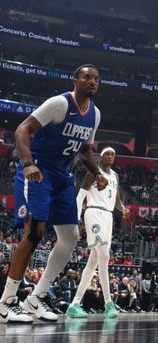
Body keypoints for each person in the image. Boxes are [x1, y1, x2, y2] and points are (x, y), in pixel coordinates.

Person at [1, 66, 105, 324]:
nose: (92, 82)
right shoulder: (59, 104)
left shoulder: (95, 114)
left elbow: (85, 150)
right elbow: (22, 130)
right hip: (38, 170)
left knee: (70, 236)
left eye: (96, 79)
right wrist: (27, 163)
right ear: (75, 80)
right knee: (35, 232)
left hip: (62, 176)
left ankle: (36, 297)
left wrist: (98, 172)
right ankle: (7, 301)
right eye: (87, 77)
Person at [68, 147, 130, 318]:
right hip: (93, 212)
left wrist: (123, 208)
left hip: (108, 217)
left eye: (113, 154)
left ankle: (74, 304)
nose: (111, 156)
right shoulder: (92, 174)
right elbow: (80, 198)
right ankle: (109, 302)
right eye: (107, 154)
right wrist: (77, 220)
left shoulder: (115, 176)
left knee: (94, 262)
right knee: (104, 256)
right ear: (100, 158)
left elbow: (116, 198)